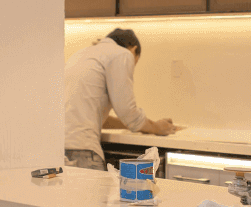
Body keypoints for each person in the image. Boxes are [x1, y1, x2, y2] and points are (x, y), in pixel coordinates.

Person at [64, 28, 178, 171]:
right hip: (83, 152)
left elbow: (99, 119)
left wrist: (142, 125)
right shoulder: (122, 54)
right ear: (133, 49)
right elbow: (128, 112)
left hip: (58, 150)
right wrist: (157, 127)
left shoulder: (81, 55)